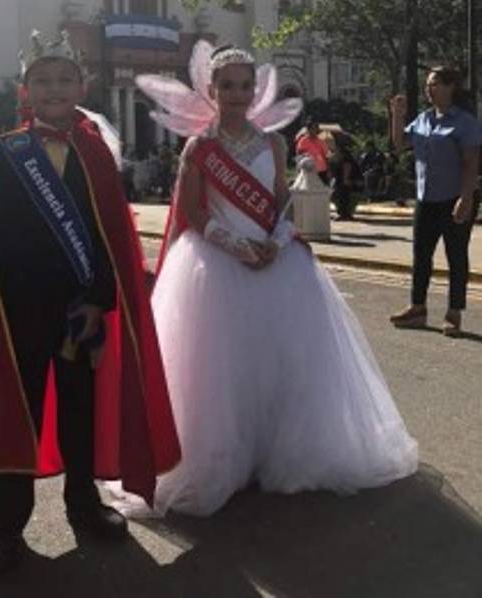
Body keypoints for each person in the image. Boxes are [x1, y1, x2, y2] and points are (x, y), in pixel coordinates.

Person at [121, 41, 416, 517]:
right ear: (212, 91)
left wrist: (277, 242)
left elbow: (282, 200)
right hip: (215, 263)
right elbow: (193, 211)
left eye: (244, 86)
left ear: (254, 91)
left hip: (274, 263)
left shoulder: (275, 142)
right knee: (220, 370)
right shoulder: (200, 147)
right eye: (227, 87)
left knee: (277, 364)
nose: (237, 94)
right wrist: (235, 246)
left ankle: (268, 455)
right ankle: (224, 460)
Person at [0, 30, 180, 574]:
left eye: (65, 79)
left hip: (78, 316)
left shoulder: (96, 153)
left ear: (82, 85)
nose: (55, 89)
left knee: (78, 413)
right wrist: (6, 311)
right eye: (42, 80)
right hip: (18, 316)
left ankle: (84, 508)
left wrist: (96, 300)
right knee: (16, 417)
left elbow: (109, 237)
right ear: (26, 90)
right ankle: (8, 529)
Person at [389, 66, 482, 337]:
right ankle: (417, 307)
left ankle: (454, 313)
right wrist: (396, 115)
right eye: (428, 85)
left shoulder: (465, 122)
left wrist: (465, 198)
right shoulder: (423, 119)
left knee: (456, 257)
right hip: (425, 199)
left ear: (451, 87)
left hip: (454, 198)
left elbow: (470, 164)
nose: (429, 89)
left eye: (435, 84)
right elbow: (399, 145)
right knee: (421, 256)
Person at [330, 133, 362, 220]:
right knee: (343, 196)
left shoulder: (343, 155)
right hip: (342, 179)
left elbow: (347, 165)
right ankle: (345, 213)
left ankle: (343, 213)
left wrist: (346, 178)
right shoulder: (339, 154)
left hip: (345, 179)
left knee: (340, 195)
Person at [295, 118, 330, 184]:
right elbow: (299, 155)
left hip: (322, 170)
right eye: (312, 128)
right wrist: (299, 169)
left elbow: (326, 156)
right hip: (309, 170)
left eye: (315, 128)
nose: (314, 130)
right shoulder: (303, 140)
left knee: (323, 191)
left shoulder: (321, 141)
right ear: (308, 129)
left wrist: (328, 170)